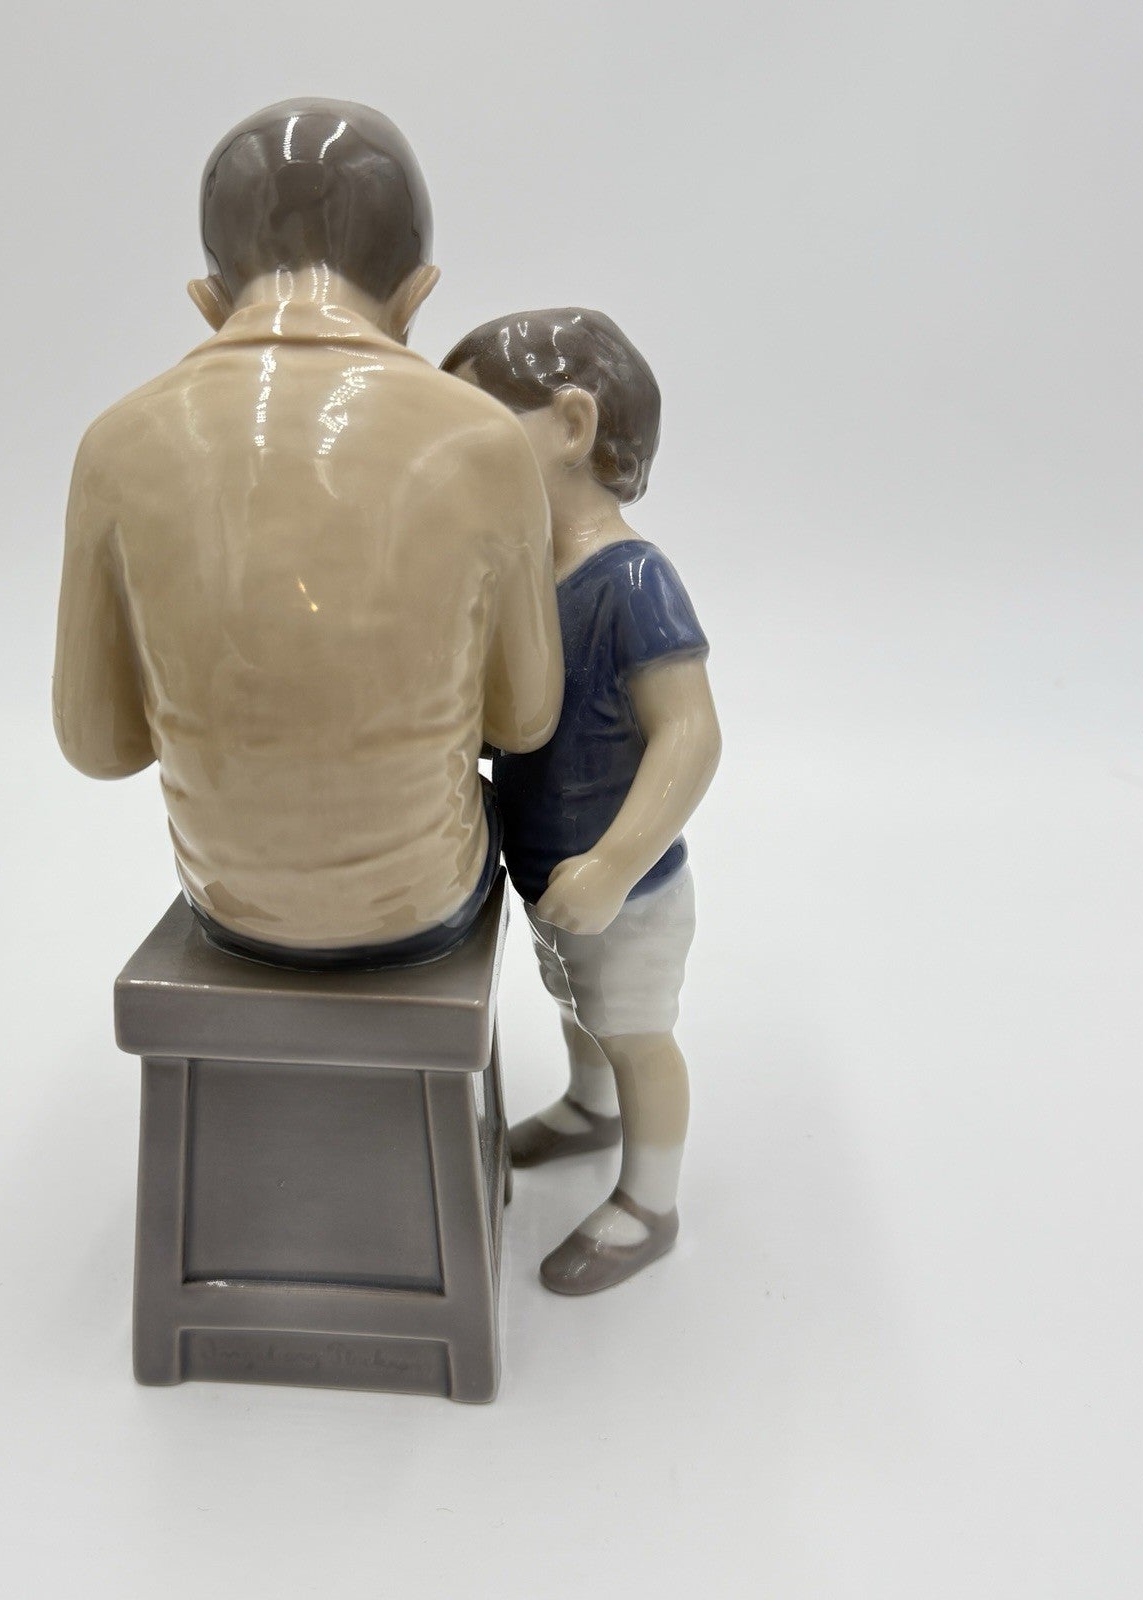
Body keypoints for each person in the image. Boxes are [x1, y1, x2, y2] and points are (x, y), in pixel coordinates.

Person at [53, 101, 561, 968]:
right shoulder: (485, 440)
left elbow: (98, 747)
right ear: (416, 293)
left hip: (229, 902)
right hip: (425, 903)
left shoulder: (114, 443)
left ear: (208, 302)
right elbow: (524, 720)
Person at [442, 308, 722, 1293]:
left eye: (475, 424)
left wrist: (612, 864)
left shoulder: (632, 577)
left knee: (635, 1030)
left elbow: (691, 734)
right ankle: (590, 1107)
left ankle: (649, 1202)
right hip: (548, 867)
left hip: (626, 885)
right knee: (576, 1000)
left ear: (570, 424)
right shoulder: (528, 573)